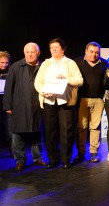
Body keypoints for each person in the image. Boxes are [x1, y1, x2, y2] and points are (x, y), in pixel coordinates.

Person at [34, 38, 83, 169]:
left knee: (66, 132)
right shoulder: (46, 64)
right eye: (52, 48)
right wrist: (43, 92)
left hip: (65, 102)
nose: (54, 50)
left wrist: (66, 79)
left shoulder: (70, 63)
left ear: (63, 49)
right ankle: (53, 159)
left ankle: (66, 160)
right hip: (49, 101)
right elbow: (38, 82)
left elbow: (80, 80)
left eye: (56, 47)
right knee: (50, 132)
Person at [3, 43, 46, 171]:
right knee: (17, 134)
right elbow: (8, 87)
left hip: (38, 105)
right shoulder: (16, 66)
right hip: (19, 105)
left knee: (37, 132)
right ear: (24, 53)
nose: (30, 54)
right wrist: (7, 105)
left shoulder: (44, 66)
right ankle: (20, 160)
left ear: (38, 53)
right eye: (27, 52)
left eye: (32, 52)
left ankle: (37, 158)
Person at [74, 42, 109, 163]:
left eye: (96, 52)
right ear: (86, 51)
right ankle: (81, 153)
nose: (94, 54)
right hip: (81, 99)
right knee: (82, 127)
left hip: (98, 100)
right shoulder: (77, 62)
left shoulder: (104, 63)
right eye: (91, 51)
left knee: (95, 127)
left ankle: (94, 152)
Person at [0, 51, 12, 156]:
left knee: (9, 130)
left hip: (7, 105)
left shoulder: (11, 72)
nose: (4, 65)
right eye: (2, 62)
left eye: (6, 62)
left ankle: (12, 151)